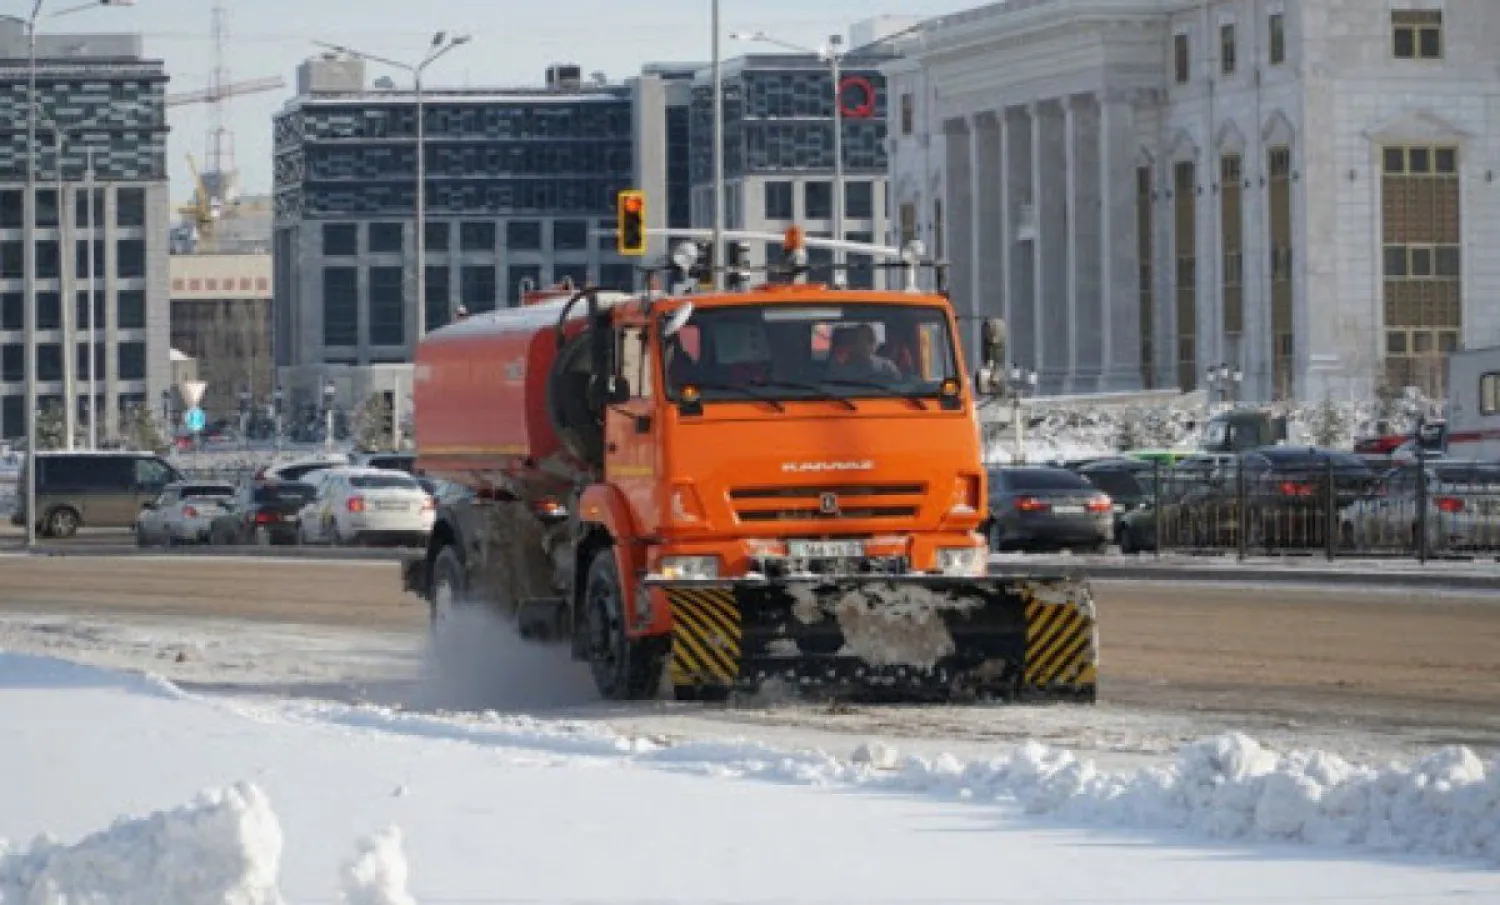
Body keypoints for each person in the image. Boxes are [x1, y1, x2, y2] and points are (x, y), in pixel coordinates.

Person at [827, 323, 900, 381]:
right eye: (860, 340)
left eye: (869, 340)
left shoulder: (886, 367)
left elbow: (898, 388)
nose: (864, 345)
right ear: (853, 344)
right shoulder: (840, 364)